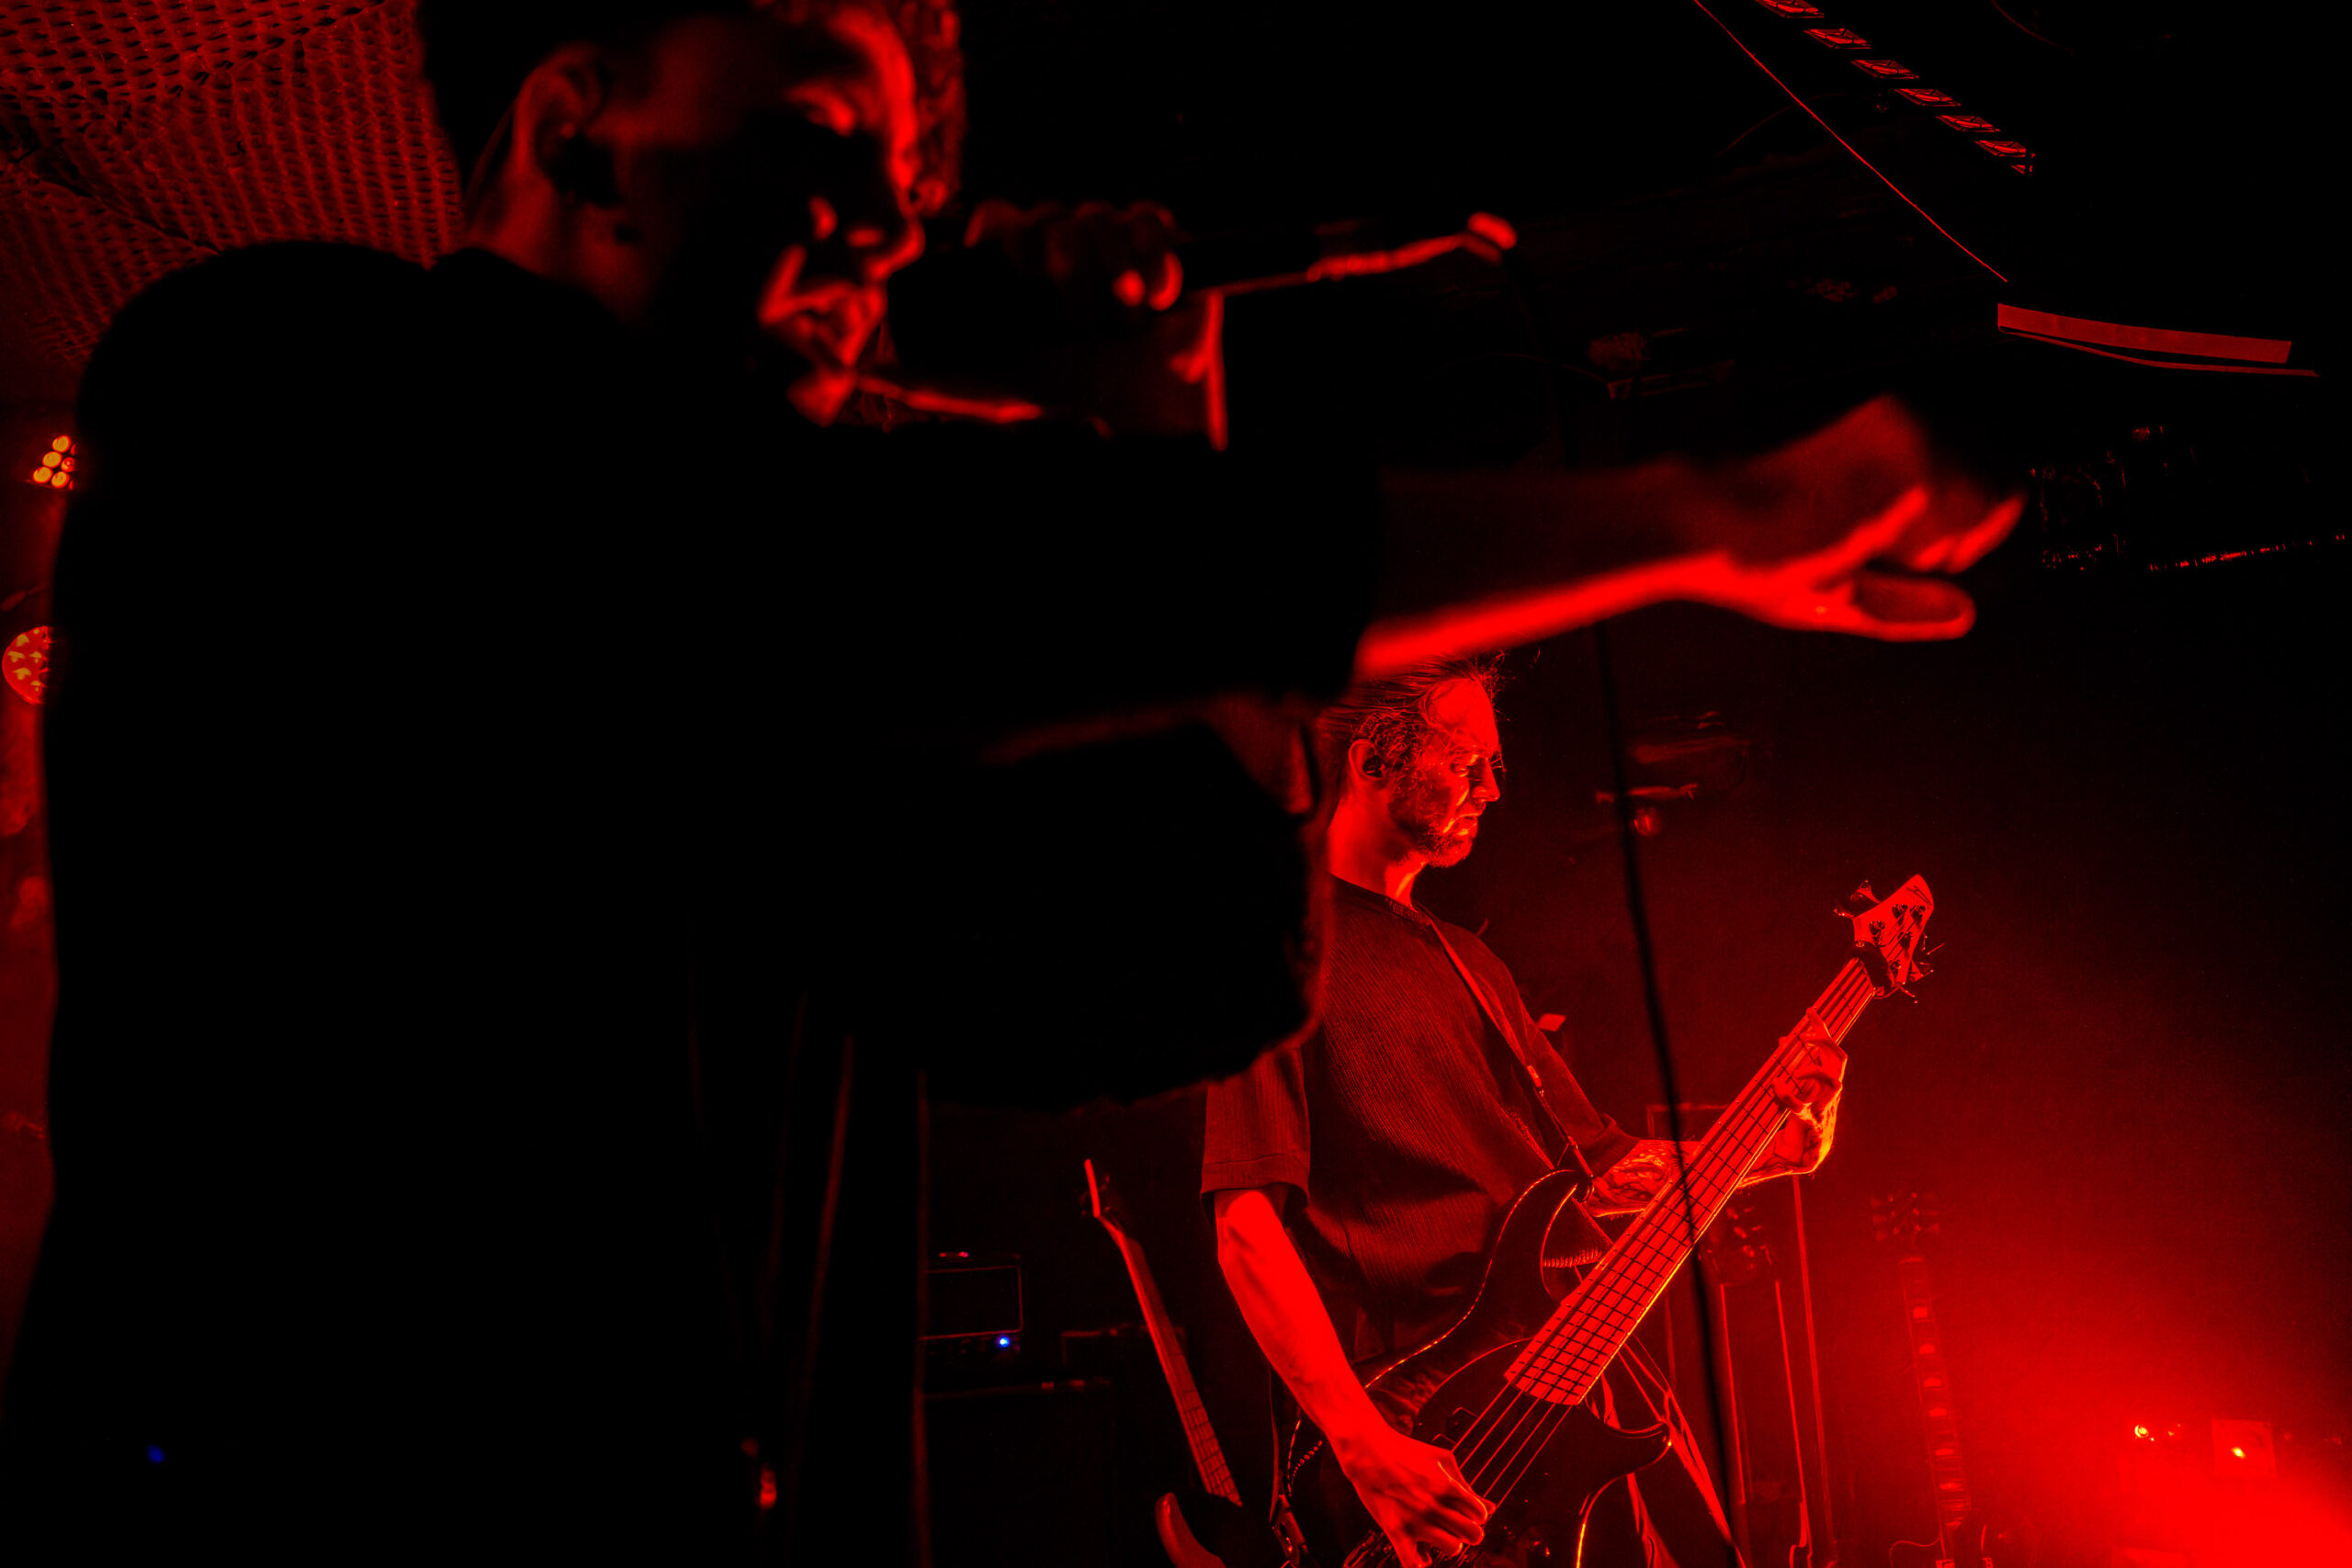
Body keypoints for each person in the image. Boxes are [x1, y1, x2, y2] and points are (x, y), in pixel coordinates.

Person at [1, 0, 2009, 1558]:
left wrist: (1159, 442)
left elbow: (1184, 978)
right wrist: (1700, 515)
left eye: (904, 179)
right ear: (568, 121)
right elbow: (840, 558)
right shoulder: (268, 370)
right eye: (822, 137)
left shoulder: (786, 679)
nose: (888, 224)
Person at [1204, 658, 1847, 1567]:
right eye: (1465, 761)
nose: (1492, 790)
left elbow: (1605, 1178)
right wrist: (1362, 1442)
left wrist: (1772, 1150)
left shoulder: (1473, 964)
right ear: (1373, 759)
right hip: (1428, 1421)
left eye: (1493, 766)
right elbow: (1245, 1227)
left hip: (1574, 1388)